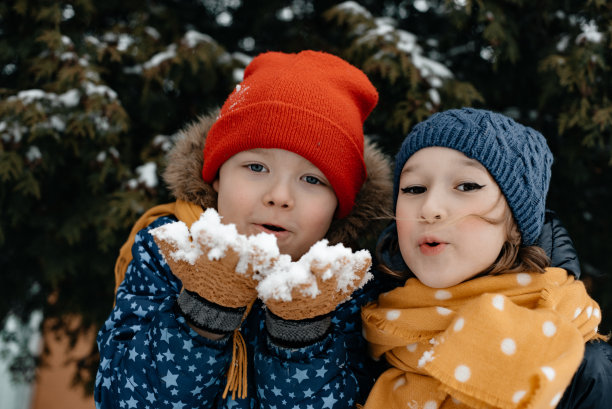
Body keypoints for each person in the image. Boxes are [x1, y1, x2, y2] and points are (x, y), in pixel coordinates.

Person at [94, 50, 396, 409]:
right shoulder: (170, 251)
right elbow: (123, 398)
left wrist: (301, 335)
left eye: (312, 179)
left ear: (340, 206)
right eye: (256, 167)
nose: (280, 196)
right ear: (217, 174)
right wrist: (204, 313)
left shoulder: (344, 285)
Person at [361, 108, 612, 409]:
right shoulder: (360, 334)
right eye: (414, 188)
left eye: (466, 186)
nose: (429, 207)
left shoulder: (582, 366)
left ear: (516, 225)